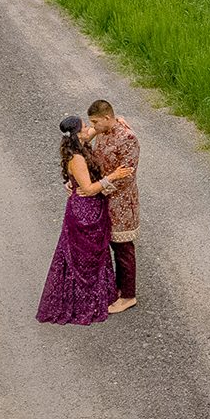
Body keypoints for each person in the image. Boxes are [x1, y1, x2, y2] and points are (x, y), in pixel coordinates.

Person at [36, 115, 133, 325]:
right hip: (84, 211)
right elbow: (88, 189)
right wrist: (113, 176)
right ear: (77, 132)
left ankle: (99, 293)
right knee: (85, 257)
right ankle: (85, 299)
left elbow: (98, 128)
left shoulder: (81, 141)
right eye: (85, 125)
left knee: (94, 254)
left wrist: (117, 120)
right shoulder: (77, 157)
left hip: (92, 208)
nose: (89, 127)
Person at [84, 99, 141, 314]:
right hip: (106, 199)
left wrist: (97, 188)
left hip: (122, 202)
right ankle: (119, 286)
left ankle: (128, 296)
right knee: (113, 246)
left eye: (95, 122)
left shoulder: (127, 138)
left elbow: (126, 176)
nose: (93, 126)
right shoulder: (105, 130)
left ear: (107, 118)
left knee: (124, 248)